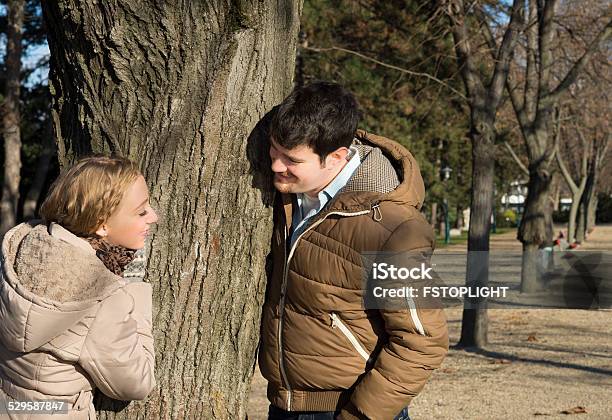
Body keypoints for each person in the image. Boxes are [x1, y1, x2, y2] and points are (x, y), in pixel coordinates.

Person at [259, 82, 449, 420]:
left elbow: (422, 340)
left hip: (348, 408)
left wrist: (359, 415)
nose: (275, 166)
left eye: (291, 159)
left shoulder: (395, 229)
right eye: (274, 152)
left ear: (336, 157)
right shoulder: (287, 193)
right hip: (283, 407)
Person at [0, 156, 158, 419]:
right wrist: (132, 288)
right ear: (101, 225)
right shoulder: (101, 297)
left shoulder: (18, 252)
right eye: (141, 211)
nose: (154, 216)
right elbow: (137, 383)